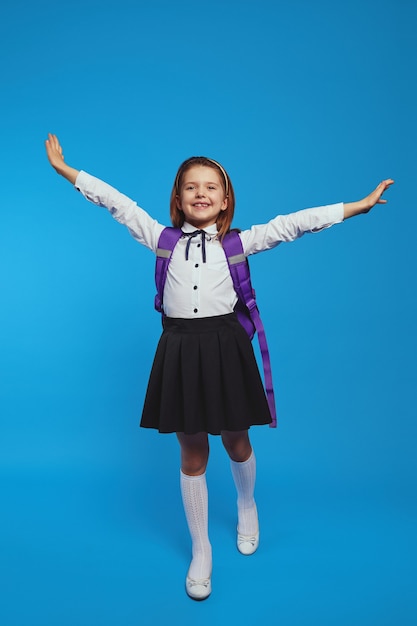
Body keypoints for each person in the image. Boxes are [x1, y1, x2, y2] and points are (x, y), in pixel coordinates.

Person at [45, 133, 393, 600]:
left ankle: (247, 504)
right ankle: (201, 547)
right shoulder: (160, 238)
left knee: (236, 439)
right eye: (191, 186)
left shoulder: (240, 242)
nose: (201, 193)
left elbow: (294, 223)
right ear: (178, 198)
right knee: (192, 453)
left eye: (211, 186)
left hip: (227, 348)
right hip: (180, 350)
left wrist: (356, 206)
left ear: (225, 200)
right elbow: (118, 204)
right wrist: (69, 172)